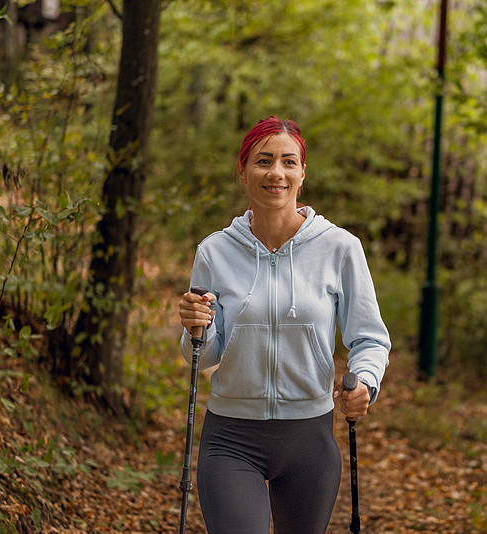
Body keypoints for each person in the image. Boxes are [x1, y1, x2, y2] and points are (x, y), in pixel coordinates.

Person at [177, 115, 391, 534]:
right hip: (231, 439)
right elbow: (204, 354)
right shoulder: (215, 251)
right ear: (243, 172)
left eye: (288, 162)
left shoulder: (340, 248)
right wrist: (194, 327)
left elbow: (369, 338)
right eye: (264, 161)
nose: (276, 172)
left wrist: (366, 380)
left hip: (310, 441)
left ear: (302, 173)